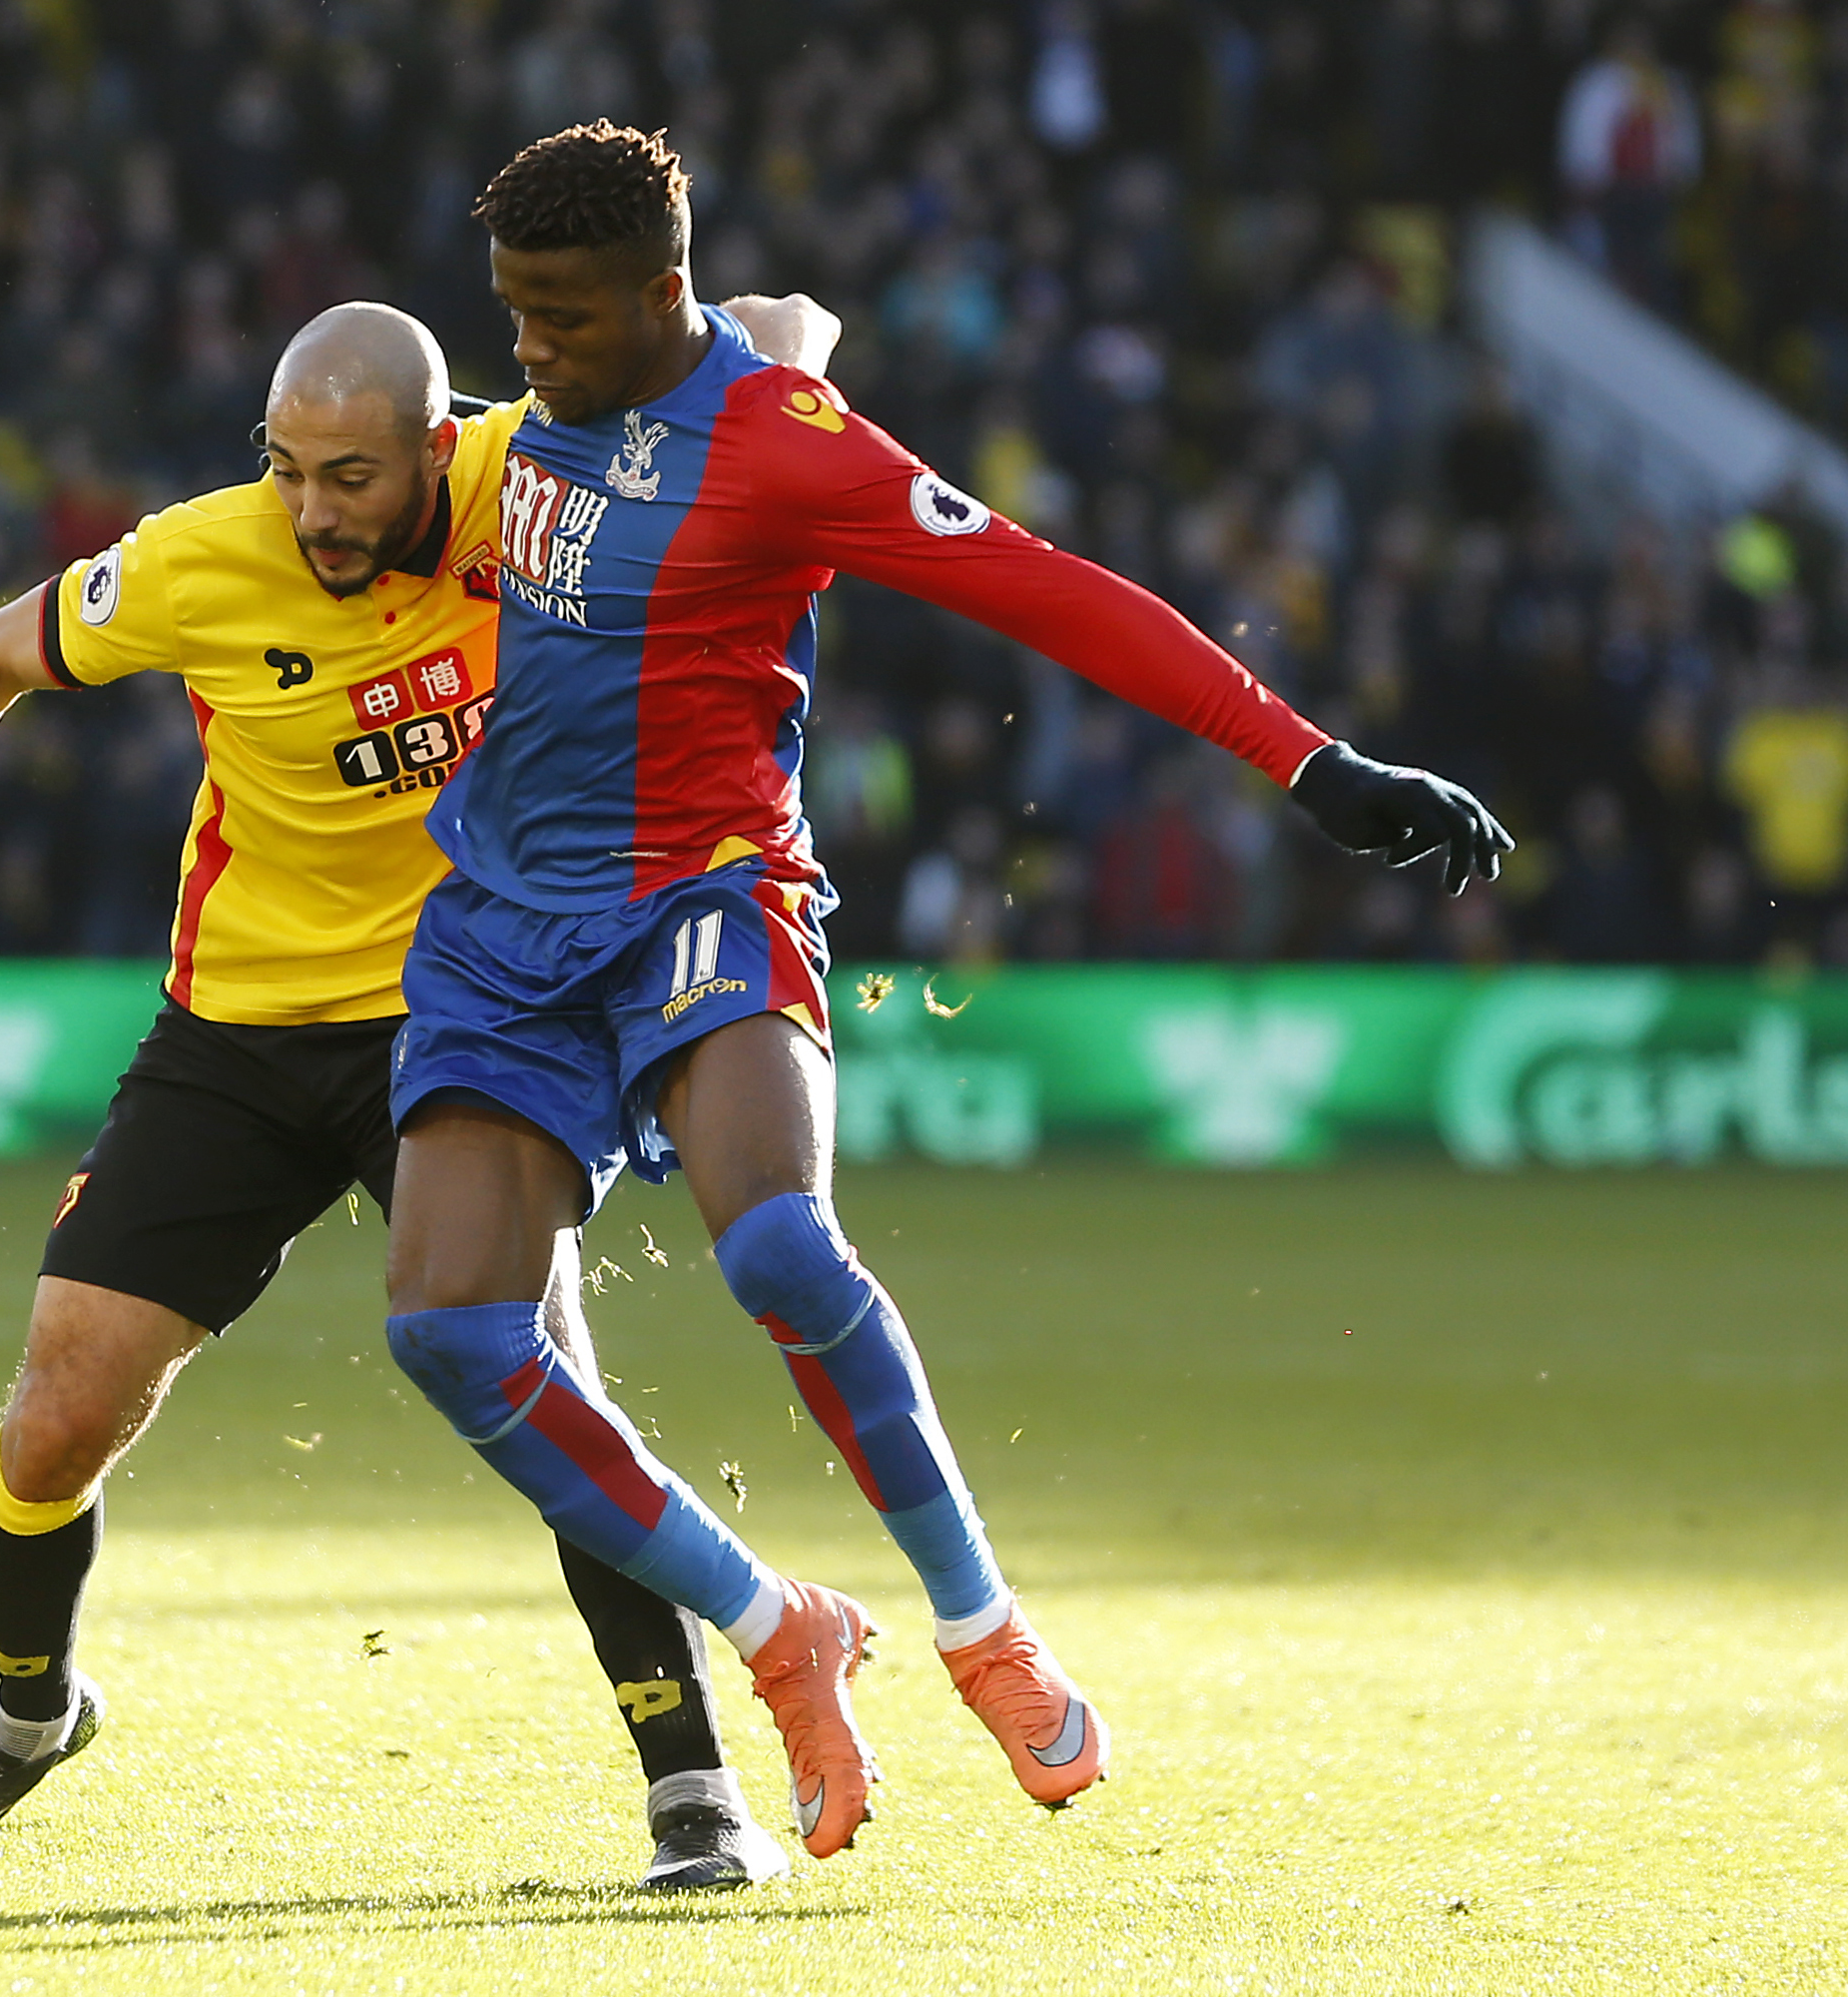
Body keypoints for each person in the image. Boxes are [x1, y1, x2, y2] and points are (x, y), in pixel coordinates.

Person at [378, 123, 1516, 1857]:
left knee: (773, 1242)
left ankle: (984, 1632)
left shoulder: (778, 447)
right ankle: (779, 1630)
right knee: (450, 1338)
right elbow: (760, 315)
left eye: (560, 317)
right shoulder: (549, 416)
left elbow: (1058, 598)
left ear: (658, 293)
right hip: (495, 935)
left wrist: (1311, 764)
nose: (524, 350)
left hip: (702, 891)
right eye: (510, 314)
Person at [0, 296, 874, 1888]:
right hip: (242, 1034)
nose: (315, 512)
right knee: (62, 1403)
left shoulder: (538, 479)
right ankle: (29, 1717)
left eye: (350, 477)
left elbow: (760, 323)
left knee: (541, 1382)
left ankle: (689, 1784)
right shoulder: (204, 557)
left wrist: (775, 371)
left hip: (470, 1016)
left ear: (434, 442)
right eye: (287, 471)